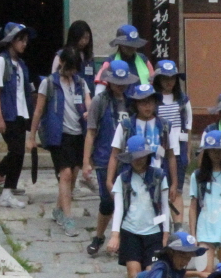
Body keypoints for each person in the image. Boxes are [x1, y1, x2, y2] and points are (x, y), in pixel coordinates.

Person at [30, 47, 92, 237]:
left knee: (73, 175)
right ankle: (68, 218)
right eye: (69, 68)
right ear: (62, 63)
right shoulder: (49, 83)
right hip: (59, 135)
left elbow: (89, 103)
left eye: (75, 69)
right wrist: (31, 137)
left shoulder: (81, 84)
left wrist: (90, 112)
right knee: (64, 174)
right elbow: (38, 111)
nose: (72, 72)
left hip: (78, 134)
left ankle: (59, 209)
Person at [84, 59, 138, 257]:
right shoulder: (100, 101)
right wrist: (85, 162)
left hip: (129, 158)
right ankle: (98, 236)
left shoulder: (132, 102)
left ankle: (123, 239)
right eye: (117, 82)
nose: (120, 86)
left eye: (123, 82)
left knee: (126, 200)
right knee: (107, 200)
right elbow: (91, 131)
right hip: (104, 157)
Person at [107, 134, 170, 278]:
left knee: (153, 272)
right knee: (133, 274)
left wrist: (165, 235)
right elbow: (119, 209)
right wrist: (115, 235)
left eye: (141, 156)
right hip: (130, 234)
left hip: (154, 235)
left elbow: (165, 207)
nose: (138, 160)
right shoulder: (123, 179)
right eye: (134, 157)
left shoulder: (159, 176)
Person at [0, 21, 34, 209]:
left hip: (21, 114)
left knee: (19, 155)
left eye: (25, 40)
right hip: (8, 114)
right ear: (10, 41)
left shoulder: (21, 64)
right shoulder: (1, 61)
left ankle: (7, 192)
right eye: (20, 40)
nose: (24, 44)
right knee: (15, 152)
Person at [185, 129, 221, 268]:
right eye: (212, 150)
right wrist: (193, 235)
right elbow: (193, 207)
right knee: (204, 274)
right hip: (204, 230)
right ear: (206, 152)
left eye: (220, 150)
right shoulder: (197, 176)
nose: (216, 154)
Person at [109, 84, 177, 189]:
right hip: (130, 179)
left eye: (150, 101)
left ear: (155, 102)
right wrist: (109, 181)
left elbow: (171, 156)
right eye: (142, 102)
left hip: (157, 178)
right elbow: (115, 154)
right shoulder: (125, 125)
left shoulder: (165, 126)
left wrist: (174, 183)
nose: (147, 105)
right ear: (136, 104)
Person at [152, 60, 192, 217]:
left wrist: (188, 152)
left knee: (177, 190)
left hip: (179, 149)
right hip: (159, 150)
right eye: (165, 78)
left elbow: (188, 126)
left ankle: (177, 227)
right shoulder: (152, 99)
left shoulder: (183, 100)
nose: (169, 82)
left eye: (172, 78)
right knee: (158, 189)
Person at [95, 24, 152, 90]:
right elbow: (100, 86)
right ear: (120, 44)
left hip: (141, 99)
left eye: (134, 45)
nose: (131, 48)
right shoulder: (110, 61)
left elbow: (153, 82)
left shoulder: (143, 59)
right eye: (127, 45)